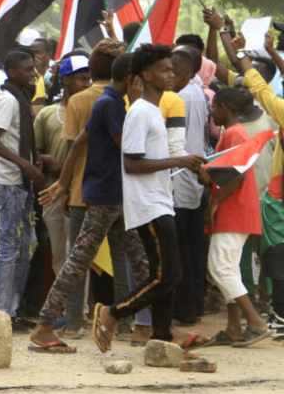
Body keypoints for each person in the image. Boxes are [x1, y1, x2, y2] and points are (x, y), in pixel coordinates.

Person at [31, 53, 153, 352]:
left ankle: (151, 325)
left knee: (139, 263)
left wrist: (62, 183)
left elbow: (78, 144)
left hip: (112, 195)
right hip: (107, 197)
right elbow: (130, 149)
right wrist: (139, 103)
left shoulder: (107, 103)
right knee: (80, 262)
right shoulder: (112, 104)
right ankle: (45, 327)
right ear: (131, 80)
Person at [91, 44, 208, 352]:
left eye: (172, 69)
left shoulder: (154, 110)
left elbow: (162, 156)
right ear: (147, 74)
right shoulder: (140, 112)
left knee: (165, 273)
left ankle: (163, 335)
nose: (170, 75)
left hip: (160, 199)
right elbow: (131, 162)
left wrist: (190, 163)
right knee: (168, 274)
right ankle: (113, 312)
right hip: (147, 204)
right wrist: (178, 162)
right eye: (165, 70)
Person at [54, 40, 126, 337]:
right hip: (118, 190)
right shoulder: (123, 99)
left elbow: (72, 147)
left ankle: (73, 323)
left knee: (77, 258)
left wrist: (66, 187)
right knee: (123, 257)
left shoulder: (79, 100)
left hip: (84, 190)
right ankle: (125, 321)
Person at [0, 51, 51, 331]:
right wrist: (27, 165)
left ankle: (11, 309)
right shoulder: (9, 99)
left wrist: (33, 154)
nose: (33, 74)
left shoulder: (22, 97)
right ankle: (1, 311)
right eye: (27, 69)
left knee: (26, 245)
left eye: (34, 69)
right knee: (10, 246)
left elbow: (17, 138)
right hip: (8, 181)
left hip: (20, 181)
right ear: (12, 72)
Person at [203, 88, 273, 347]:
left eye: (214, 108)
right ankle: (233, 327)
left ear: (224, 107)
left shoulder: (233, 133)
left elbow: (237, 173)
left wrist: (217, 201)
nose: (212, 113)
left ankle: (255, 321)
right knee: (227, 268)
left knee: (220, 267)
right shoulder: (233, 132)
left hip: (233, 209)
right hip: (236, 209)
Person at [33, 55, 90, 302]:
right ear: (65, 80)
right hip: (52, 193)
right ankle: (64, 307)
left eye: (89, 78)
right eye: (81, 79)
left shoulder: (92, 109)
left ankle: (79, 309)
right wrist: (47, 160)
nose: (87, 84)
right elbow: (35, 150)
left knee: (77, 253)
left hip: (80, 194)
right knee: (59, 253)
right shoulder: (46, 114)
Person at [168, 47, 211, 327]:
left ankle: (184, 310)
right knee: (194, 249)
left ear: (184, 74)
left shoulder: (179, 97)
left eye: (171, 72)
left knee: (182, 251)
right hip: (193, 177)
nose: (167, 76)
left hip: (181, 177)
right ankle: (195, 306)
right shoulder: (198, 93)